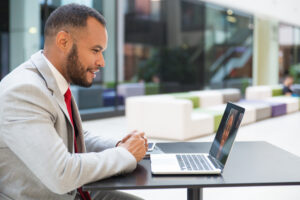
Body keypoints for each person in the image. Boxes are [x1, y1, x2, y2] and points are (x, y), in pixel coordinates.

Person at [0, 4, 147, 200]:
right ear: (63, 41)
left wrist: (120, 145)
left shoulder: (54, 81)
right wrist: (124, 155)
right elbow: (61, 173)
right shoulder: (24, 91)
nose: (102, 62)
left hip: (74, 192)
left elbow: (75, 137)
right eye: (96, 50)